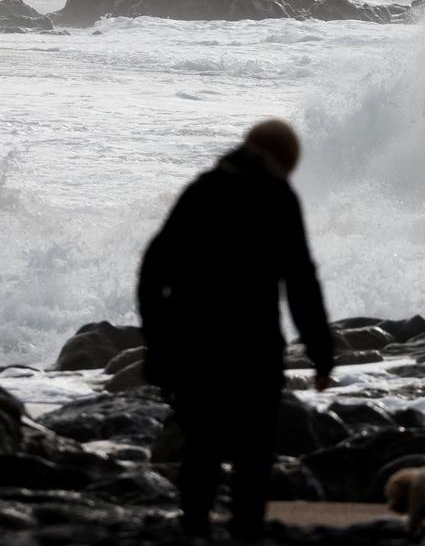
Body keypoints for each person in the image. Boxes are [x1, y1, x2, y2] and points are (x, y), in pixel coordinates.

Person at [137, 119, 334, 541]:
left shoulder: (202, 190)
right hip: (253, 351)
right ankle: (245, 534)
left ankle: (195, 530)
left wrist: (158, 342)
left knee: (201, 449)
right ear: (283, 162)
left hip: (193, 348)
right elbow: (301, 283)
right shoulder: (278, 197)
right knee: (253, 456)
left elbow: (152, 271)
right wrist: (322, 355)